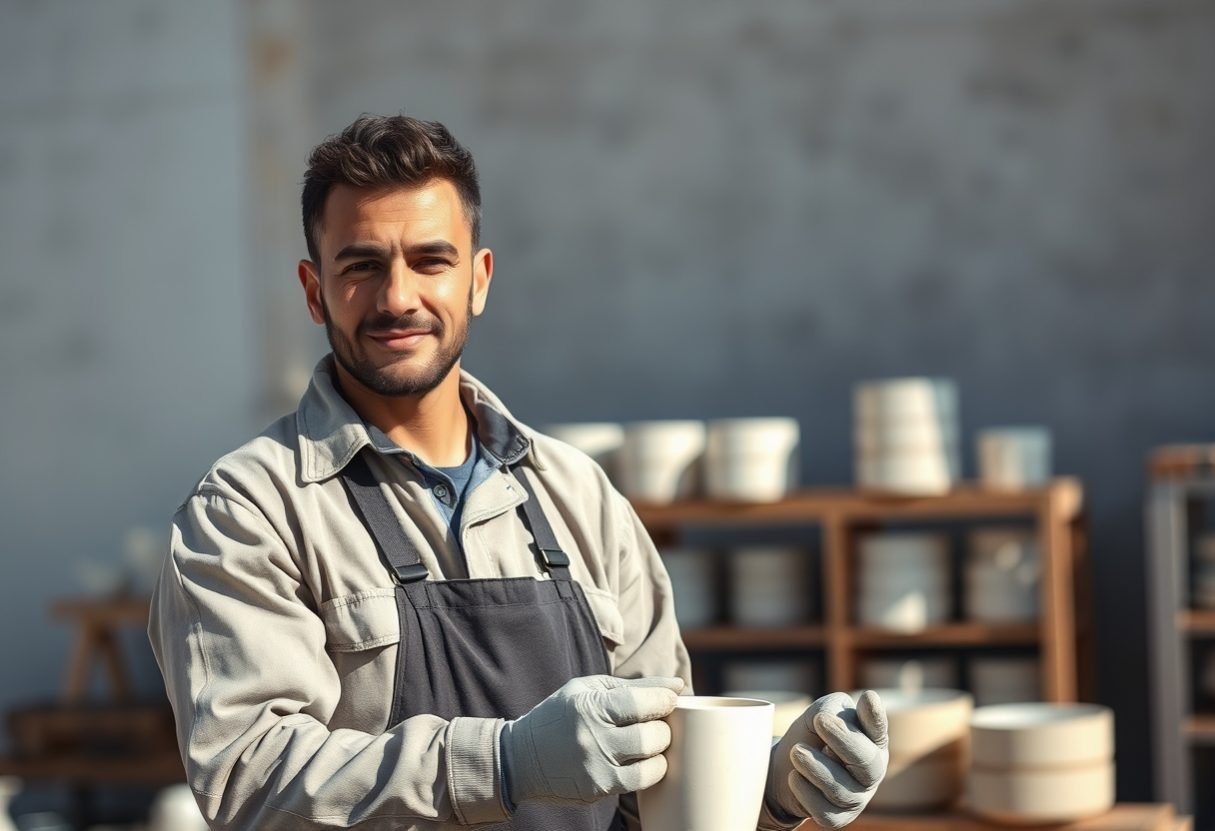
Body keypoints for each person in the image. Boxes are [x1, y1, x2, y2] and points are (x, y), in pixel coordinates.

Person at [148, 114, 888, 830]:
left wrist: (775, 786)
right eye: (362, 265)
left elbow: (659, 792)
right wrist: (502, 763)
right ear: (315, 291)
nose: (398, 297)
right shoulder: (248, 512)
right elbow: (251, 782)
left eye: (430, 261)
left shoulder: (580, 495)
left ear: (479, 278)